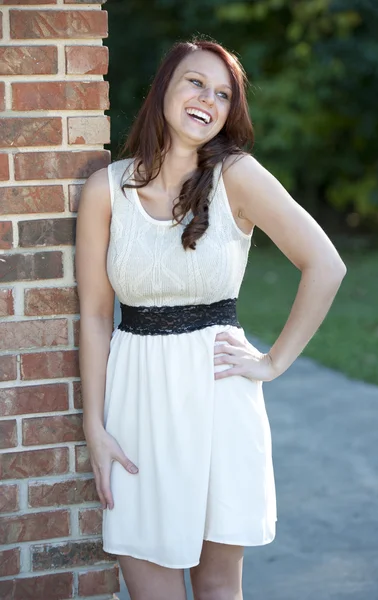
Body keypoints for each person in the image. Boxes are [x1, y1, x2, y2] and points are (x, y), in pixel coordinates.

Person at [75, 37, 346, 600]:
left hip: (220, 399)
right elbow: (98, 316)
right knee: (152, 587)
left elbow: (325, 264)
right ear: (163, 90)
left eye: (223, 94)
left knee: (219, 587)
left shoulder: (237, 176)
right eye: (195, 82)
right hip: (137, 406)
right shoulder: (107, 190)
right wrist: (95, 428)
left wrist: (272, 362)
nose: (208, 99)